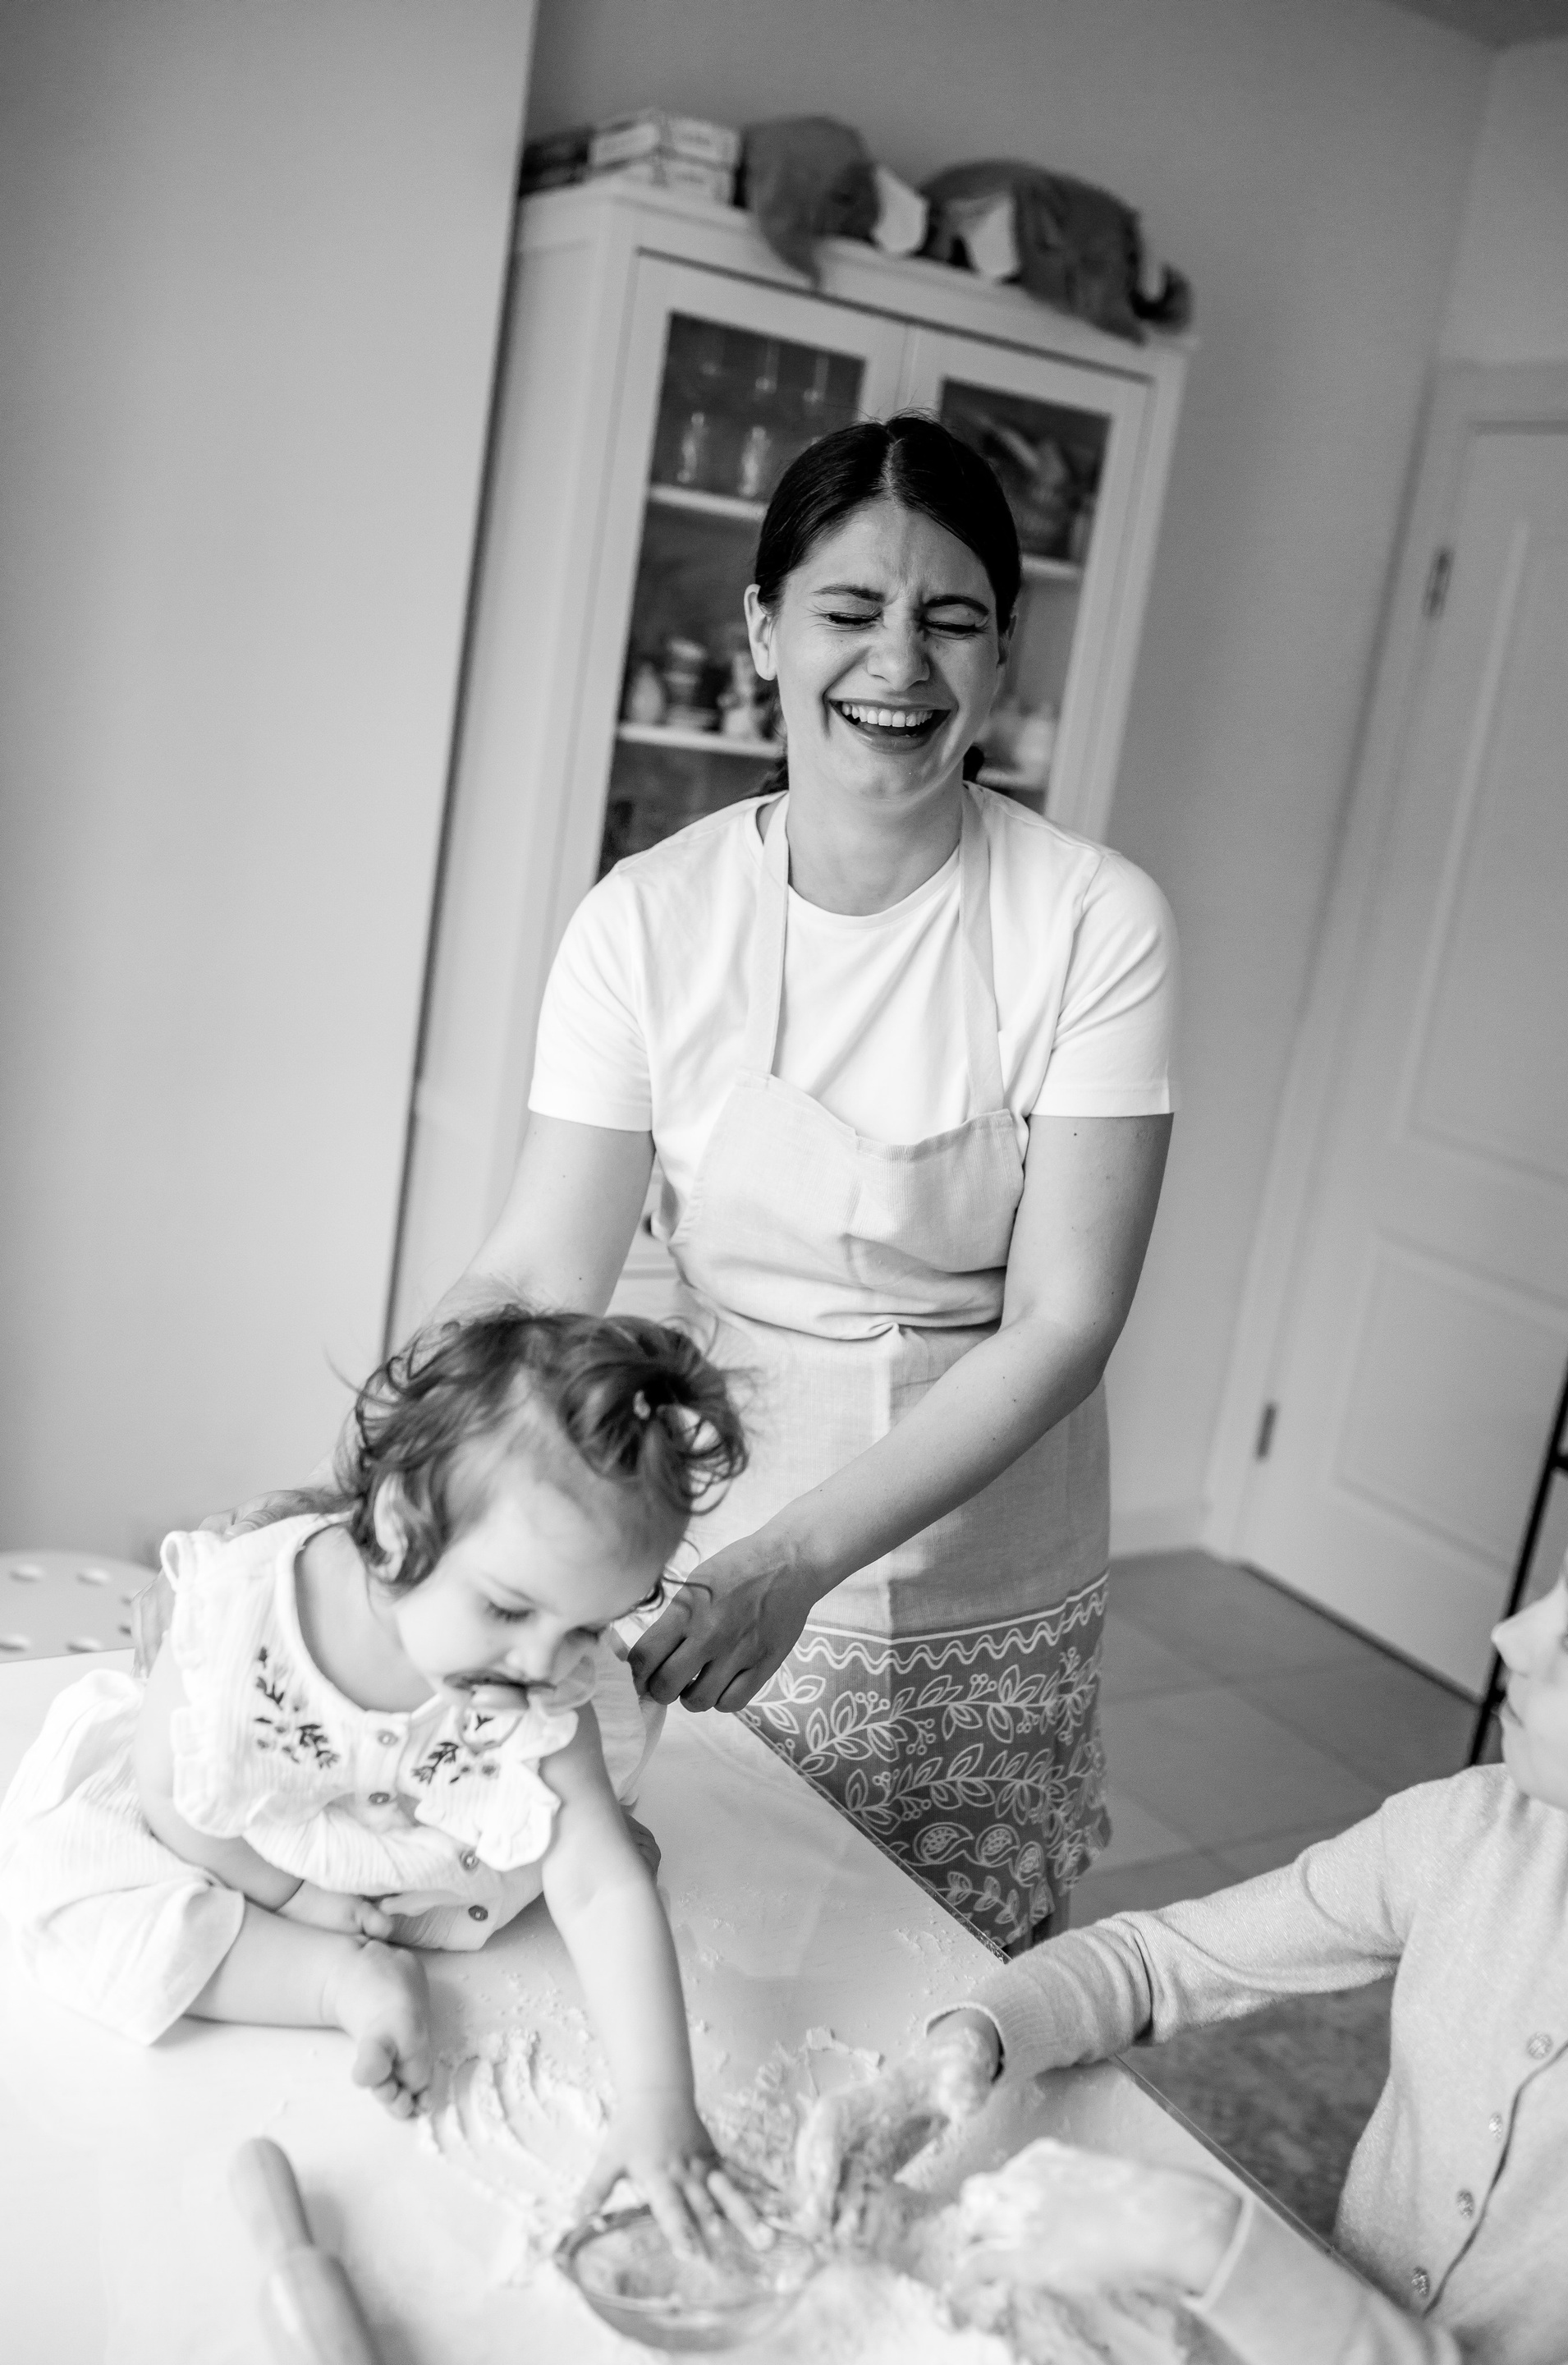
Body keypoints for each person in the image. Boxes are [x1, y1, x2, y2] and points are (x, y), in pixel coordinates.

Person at [441, 412, 1176, 1955]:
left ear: (1005, 648)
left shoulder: (1090, 920)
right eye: (850, 610)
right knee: (728, 1948)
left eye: (951, 618)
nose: (899, 663)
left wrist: (800, 1560)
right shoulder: (650, 920)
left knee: (958, 1981)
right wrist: (387, 1466)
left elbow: (1066, 1319)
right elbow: (535, 1271)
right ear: (766, 631)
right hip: (721, 1535)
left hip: (989, 1559)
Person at [0, 1306, 762, 2255]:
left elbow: (599, 1887)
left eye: (586, 1628)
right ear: (402, 1525)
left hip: (438, 1846)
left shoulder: (540, 1675)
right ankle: (338, 1982)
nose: (542, 1664)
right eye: (509, 1610)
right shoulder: (245, 1615)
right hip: (262, 1835)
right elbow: (171, 1799)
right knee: (61, 1887)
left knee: (587, 1860)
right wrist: (300, 1903)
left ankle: (559, 1833)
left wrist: (658, 2102)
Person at [795, 1545, 1568, 2364]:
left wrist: (1205, 2239)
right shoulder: (1470, 1832)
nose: (1510, 1635)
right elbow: (1148, 1964)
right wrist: (965, 2051)